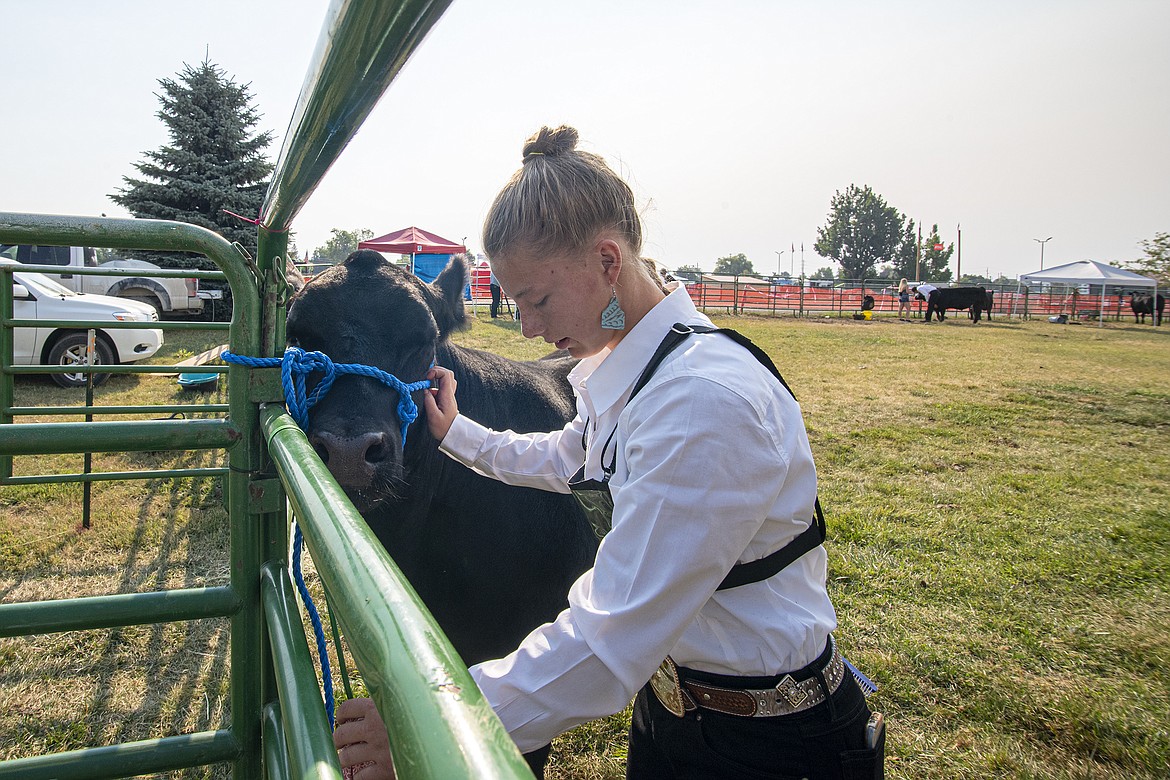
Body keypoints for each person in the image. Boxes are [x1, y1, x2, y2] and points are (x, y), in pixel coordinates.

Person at [334, 125, 881, 779]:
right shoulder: (634, 369)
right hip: (680, 713)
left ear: (607, 263)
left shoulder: (701, 403)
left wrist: (435, 714)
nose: (528, 326)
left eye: (537, 299)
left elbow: (609, 637)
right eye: (515, 303)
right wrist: (461, 435)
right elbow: (576, 457)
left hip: (770, 748)